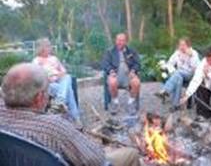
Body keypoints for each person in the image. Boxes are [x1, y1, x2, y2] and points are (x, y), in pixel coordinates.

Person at [0, 63, 141, 166]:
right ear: (39, 98)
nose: (50, 95)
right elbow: (96, 160)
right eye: (48, 91)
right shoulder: (54, 126)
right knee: (130, 153)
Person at [32, 38, 81, 124]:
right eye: (48, 46)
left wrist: (58, 75)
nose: (50, 48)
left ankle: (60, 101)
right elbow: (36, 76)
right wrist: (48, 78)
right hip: (48, 84)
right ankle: (76, 118)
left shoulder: (54, 58)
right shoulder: (36, 61)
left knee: (67, 77)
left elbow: (64, 71)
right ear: (42, 48)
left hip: (59, 81)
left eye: (50, 46)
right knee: (68, 90)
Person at [102, 33, 141, 115]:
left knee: (136, 83)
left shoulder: (131, 51)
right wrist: (111, 71)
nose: (119, 42)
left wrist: (133, 71)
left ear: (126, 42)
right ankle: (115, 102)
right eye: (118, 40)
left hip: (129, 76)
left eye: (122, 40)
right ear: (115, 41)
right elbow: (105, 63)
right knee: (112, 82)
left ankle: (131, 102)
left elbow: (137, 63)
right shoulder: (110, 51)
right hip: (115, 75)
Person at [156, 38, 200, 109]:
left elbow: (197, 69)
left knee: (177, 73)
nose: (181, 47)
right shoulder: (177, 53)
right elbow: (169, 63)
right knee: (178, 78)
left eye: (183, 45)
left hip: (190, 75)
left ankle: (166, 90)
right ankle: (175, 105)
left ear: (188, 45)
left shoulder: (194, 53)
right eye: (180, 45)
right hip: (179, 74)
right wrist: (172, 70)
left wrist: (191, 56)